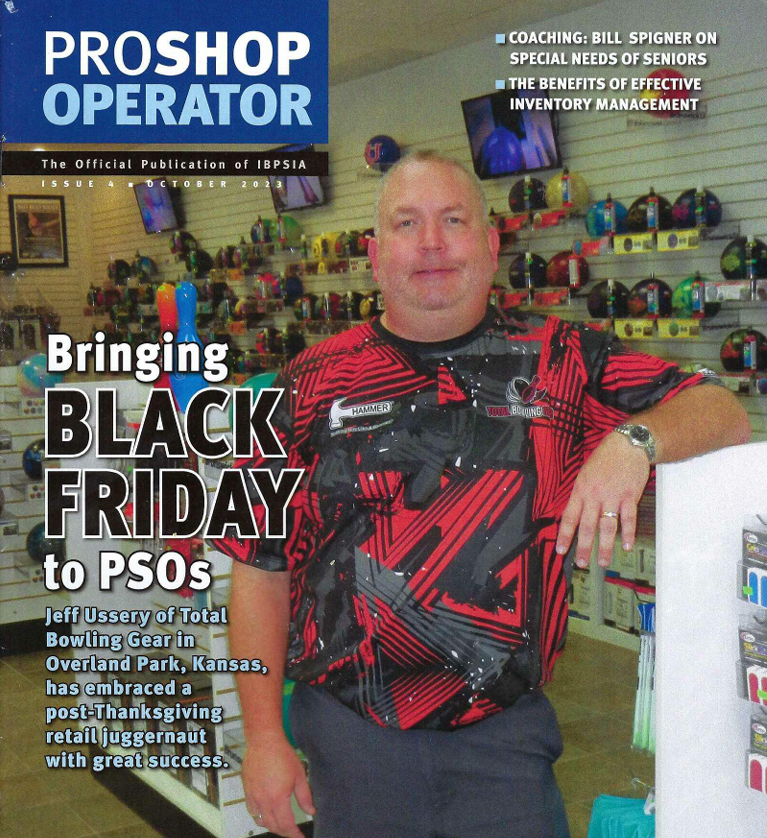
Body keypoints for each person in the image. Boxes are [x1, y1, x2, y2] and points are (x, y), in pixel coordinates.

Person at [214, 152, 750, 838]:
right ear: (376, 256)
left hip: (505, 740)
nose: (431, 242)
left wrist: (632, 444)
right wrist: (262, 738)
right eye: (407, 224)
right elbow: (257, 570)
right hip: (351, 742)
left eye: (453, 220)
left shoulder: (562, 358)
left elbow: (720, 411)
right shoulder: (303, 382)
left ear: (492, 245)